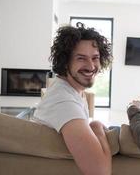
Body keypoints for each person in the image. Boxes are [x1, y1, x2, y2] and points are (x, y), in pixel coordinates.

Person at [33, 22, 113, 175]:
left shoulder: (71, 91)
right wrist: (96, 126)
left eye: (95, 58)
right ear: (65, 61)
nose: (91, 66)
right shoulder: (63, 101)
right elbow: (99, 172)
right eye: (81, 58)